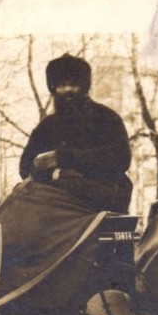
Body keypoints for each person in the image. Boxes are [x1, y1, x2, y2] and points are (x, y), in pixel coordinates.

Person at [19, 54, 133, 213]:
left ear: (84, 87)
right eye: (61, 85)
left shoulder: (106, 118)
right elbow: (25, 167)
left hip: (100, 200)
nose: (67, 90)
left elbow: (121, 158)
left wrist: (64, 158)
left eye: (74, 84)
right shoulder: (47, 126)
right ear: (54, 89)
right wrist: (50, 171)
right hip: (55, 200)